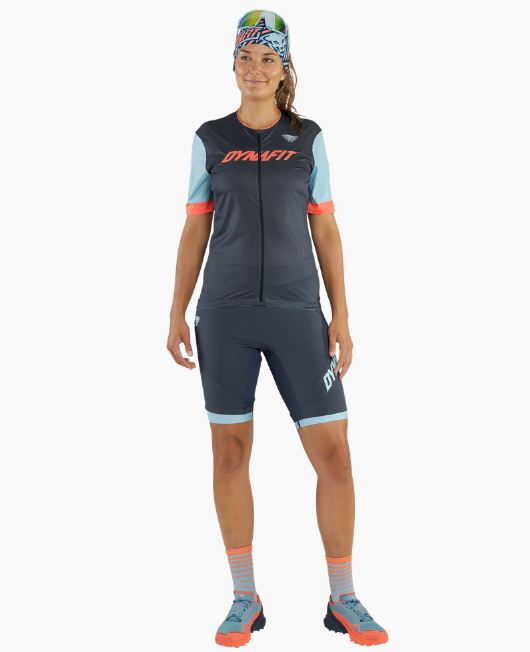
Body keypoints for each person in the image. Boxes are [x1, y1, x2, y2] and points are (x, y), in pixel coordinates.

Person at [167, 9, 389, 647]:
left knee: (335, 456)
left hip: (297, 315)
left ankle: (343, 597)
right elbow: (195, 227)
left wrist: (341, 314)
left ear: (284, 68)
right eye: (246, 57)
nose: (256, 69)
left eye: (268, 59)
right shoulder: (210, 138)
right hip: (225, 316)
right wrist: (177, 310)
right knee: (230, 454)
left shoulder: (308, 138)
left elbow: (326, 227)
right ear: (233, 64)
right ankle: (245, 597)